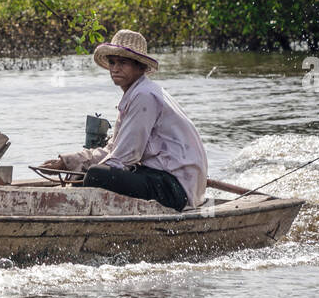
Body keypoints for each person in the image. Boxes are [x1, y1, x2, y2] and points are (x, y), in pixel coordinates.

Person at [42, 29, 207, 211]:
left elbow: (125, 156)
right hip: (162, 178)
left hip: (176, 187)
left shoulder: (144, 96)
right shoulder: (135, 94)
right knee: (89, 174)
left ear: (140, 67)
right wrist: (70, 162)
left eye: (123, 63)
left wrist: (86, 173)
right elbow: (114, 149)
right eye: (112, 62)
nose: (115, 68)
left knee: (96, 175)